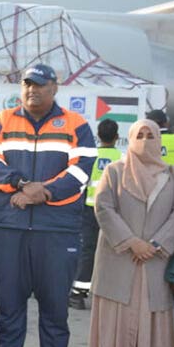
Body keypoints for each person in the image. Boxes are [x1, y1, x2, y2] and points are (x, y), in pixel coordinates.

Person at [0, 64, 96, 347]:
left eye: (39, 84)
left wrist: (41, 193)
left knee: (55, 307)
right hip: (10, 228)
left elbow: (81, 171)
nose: (32, 90)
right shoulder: (1, 121)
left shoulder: (77, 124)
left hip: (57, 231)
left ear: (54, 88)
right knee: (9, 303)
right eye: (27, 84)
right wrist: (21, 184)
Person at [86, 119, 174, 347]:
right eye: (140, 135)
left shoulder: (173, 175)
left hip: (155, 260)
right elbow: (103, 208)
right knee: (117, 317)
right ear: (130, 138)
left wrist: (157, 244)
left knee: (150, 314)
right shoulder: (114, 171)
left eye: (150, 135)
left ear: (159, 140)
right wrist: (131, 242)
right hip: (119, 261)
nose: (145, 141)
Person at [68, 119, 120, 310]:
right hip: (113, 212)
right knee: (113, 252)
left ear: (98, 136)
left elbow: (80, 184)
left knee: (87, 252)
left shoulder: (91, 157)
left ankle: (77, 295)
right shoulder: (122, 158)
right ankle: (109, 296)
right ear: (117, 137)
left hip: (89, 210)